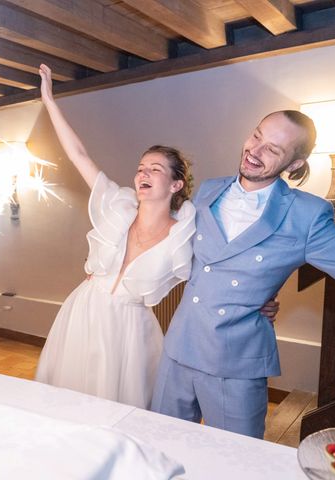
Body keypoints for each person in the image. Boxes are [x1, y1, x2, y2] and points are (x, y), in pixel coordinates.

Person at [151, 110, 335, 438]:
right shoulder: (208, 190)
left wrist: (261, 292)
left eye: (272, 149)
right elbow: (166, 245)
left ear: (294, 165)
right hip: (179, 347)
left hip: (237, 363)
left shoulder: (307, 215)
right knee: (159, 446)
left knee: (237, 463)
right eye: (257, 136)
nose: (254, 151)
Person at [34, 65, 278, 408]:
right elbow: (79, 154)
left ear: (176, 184)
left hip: (129, 333)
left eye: (155, 169)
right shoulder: (116, 205)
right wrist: (48, 99)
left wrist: (258, 299)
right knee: (66, 406)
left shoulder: (185, 235)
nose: (142, 173)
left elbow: (221, 272)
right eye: (140, 168)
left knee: (119, 413)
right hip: (82, 314)